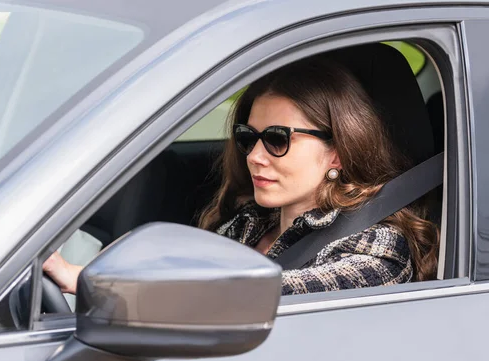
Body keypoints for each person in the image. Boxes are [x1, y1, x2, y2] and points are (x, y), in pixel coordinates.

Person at [44, 56, 440, 296]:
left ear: (337, 149)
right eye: (248, 138)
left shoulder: (380, 248)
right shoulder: (250, 223)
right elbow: (186, 267)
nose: (254, 156)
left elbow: (259, 294)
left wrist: (103, 284)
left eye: (277, 139)